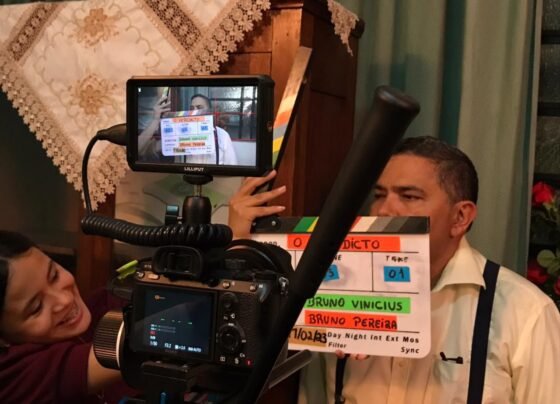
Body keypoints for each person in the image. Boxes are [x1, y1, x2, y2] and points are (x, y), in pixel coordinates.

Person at [228, 136, 560, 403]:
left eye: (409, 196)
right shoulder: (332, 290)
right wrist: (240, 244)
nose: (384, 210)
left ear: (460, 217)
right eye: (379, 195)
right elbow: (253, 353)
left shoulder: (526, 312)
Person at [0, 231, 134, 403]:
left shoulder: (101, 305)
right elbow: (141, 348)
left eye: (54, 275)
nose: (65, 300)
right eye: (37, 307)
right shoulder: (10, 378)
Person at [187, 94, 238, 166]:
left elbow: (232, 165)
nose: (194, 112)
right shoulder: (183, 135)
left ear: (209, 111)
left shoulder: (223, 136)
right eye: (192, 108)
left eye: (199, 108)